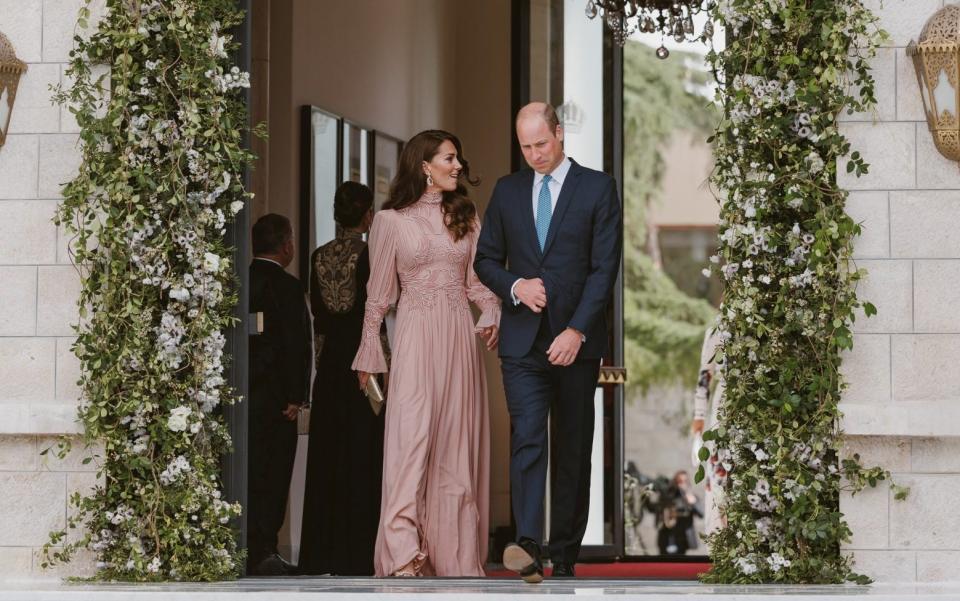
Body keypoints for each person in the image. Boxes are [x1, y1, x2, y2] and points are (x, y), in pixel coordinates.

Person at [474, 102, 622, 583]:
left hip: (576, 341)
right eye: (526, 146)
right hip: (522, 343)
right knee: (529, 439)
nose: (535, 154)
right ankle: (530, 546)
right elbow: (486, 260)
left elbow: (604, 269)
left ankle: (564, 551)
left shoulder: (598, 188)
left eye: (542, 143)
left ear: (560, 134)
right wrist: (517, 286)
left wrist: (577, 330)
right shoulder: (507, 190)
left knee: (573, 449)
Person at [352, 129, 501, 577]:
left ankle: (453, 557)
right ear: (425, 166)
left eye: (457, 159)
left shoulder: (466, 217)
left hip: (457, 337)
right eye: (450, 158)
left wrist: (491, 308)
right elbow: (377, 297)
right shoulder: (390, 222)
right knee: (410, 441)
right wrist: (369, 354)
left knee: (455, 447)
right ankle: (401, 554)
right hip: (415, 336)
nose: (458, 166)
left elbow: (476, 284)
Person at [298, 182, 386, 576]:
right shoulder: (372, 255)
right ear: (367, 215)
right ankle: (359, 553)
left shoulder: (317, 256)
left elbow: (319, 324)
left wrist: (322, 368)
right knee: (364, 456)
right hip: (364, 367)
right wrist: (386, 370)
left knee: (327, 458)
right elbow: (376, 320)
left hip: (332, 366)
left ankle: (321, 554)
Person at [247, 213, 311, 576]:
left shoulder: (241, 282)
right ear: (287, 245)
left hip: (245, 400)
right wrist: (296, 396)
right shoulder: (288, 288)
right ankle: (264, 548)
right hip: (277, 402)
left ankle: (245, 544)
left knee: (248, 472)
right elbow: (297, 345)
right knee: (273, 476)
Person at [691, 326, 727, 535]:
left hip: (756, 402)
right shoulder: (718, 327)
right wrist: (699, 421)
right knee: (721, 476)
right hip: (724, 405)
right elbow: (705, 376)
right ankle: (722, 540)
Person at [655, 470, 703, 555]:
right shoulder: (668, 496)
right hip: (666, 537)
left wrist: (693, 503)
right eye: (680, 481)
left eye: (685, 481)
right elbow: (656, 509)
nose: (682, 484)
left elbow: (701, 514)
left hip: (682, 539)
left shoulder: (691, 497)